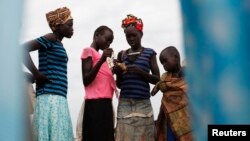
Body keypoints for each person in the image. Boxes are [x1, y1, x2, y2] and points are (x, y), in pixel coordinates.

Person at [22, 7, 74, 141]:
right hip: (49, 96)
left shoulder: (58, 44)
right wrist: (36, 74)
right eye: (70, 25)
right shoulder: (50, 38)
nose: (72, 28)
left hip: (59, 96)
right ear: (58, 26)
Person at [113, 14, 160, 141]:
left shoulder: (150, 53)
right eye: (128, 36)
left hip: (143, 103)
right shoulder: (122, 55)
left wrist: (141, 72)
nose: (131, 38)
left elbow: (157, 79)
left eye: (134, 35)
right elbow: (119, 85)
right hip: (125, 103)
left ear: (141, 34)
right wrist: (118, 72)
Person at [81, 25, 116, 141]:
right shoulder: (88, 51)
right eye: (107, 39)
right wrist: (101, 60)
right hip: (95, 105)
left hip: (106, 105)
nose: (109, 43)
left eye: (111, 41)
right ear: (97, 36)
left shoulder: (104, 59)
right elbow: (86, 80)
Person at [151, 46, 193, 141]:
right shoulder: (165, 77)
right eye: (162, 63)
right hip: (169, 117)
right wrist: (157, 86)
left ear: (176, 57)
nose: (164, 65)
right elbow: (162, 84)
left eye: (165, 61)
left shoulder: (187, 72)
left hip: (186, 116)